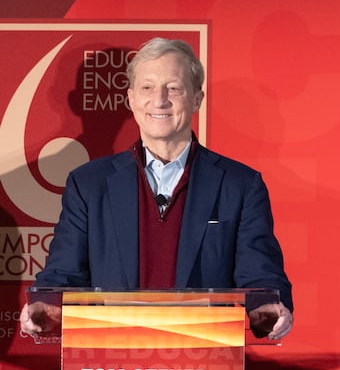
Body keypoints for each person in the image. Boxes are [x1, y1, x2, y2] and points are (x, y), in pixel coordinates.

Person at [20, 37, 293, 340]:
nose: (159, 100)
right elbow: (63, 272)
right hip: (110, 356)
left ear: (197, 99)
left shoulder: (240, 185)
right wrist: (45, 304)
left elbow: (260, 274)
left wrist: (268, 308)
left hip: (204, 356)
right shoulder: (88, 185)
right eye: (147, 88)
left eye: (173, 88)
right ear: (131, 99)